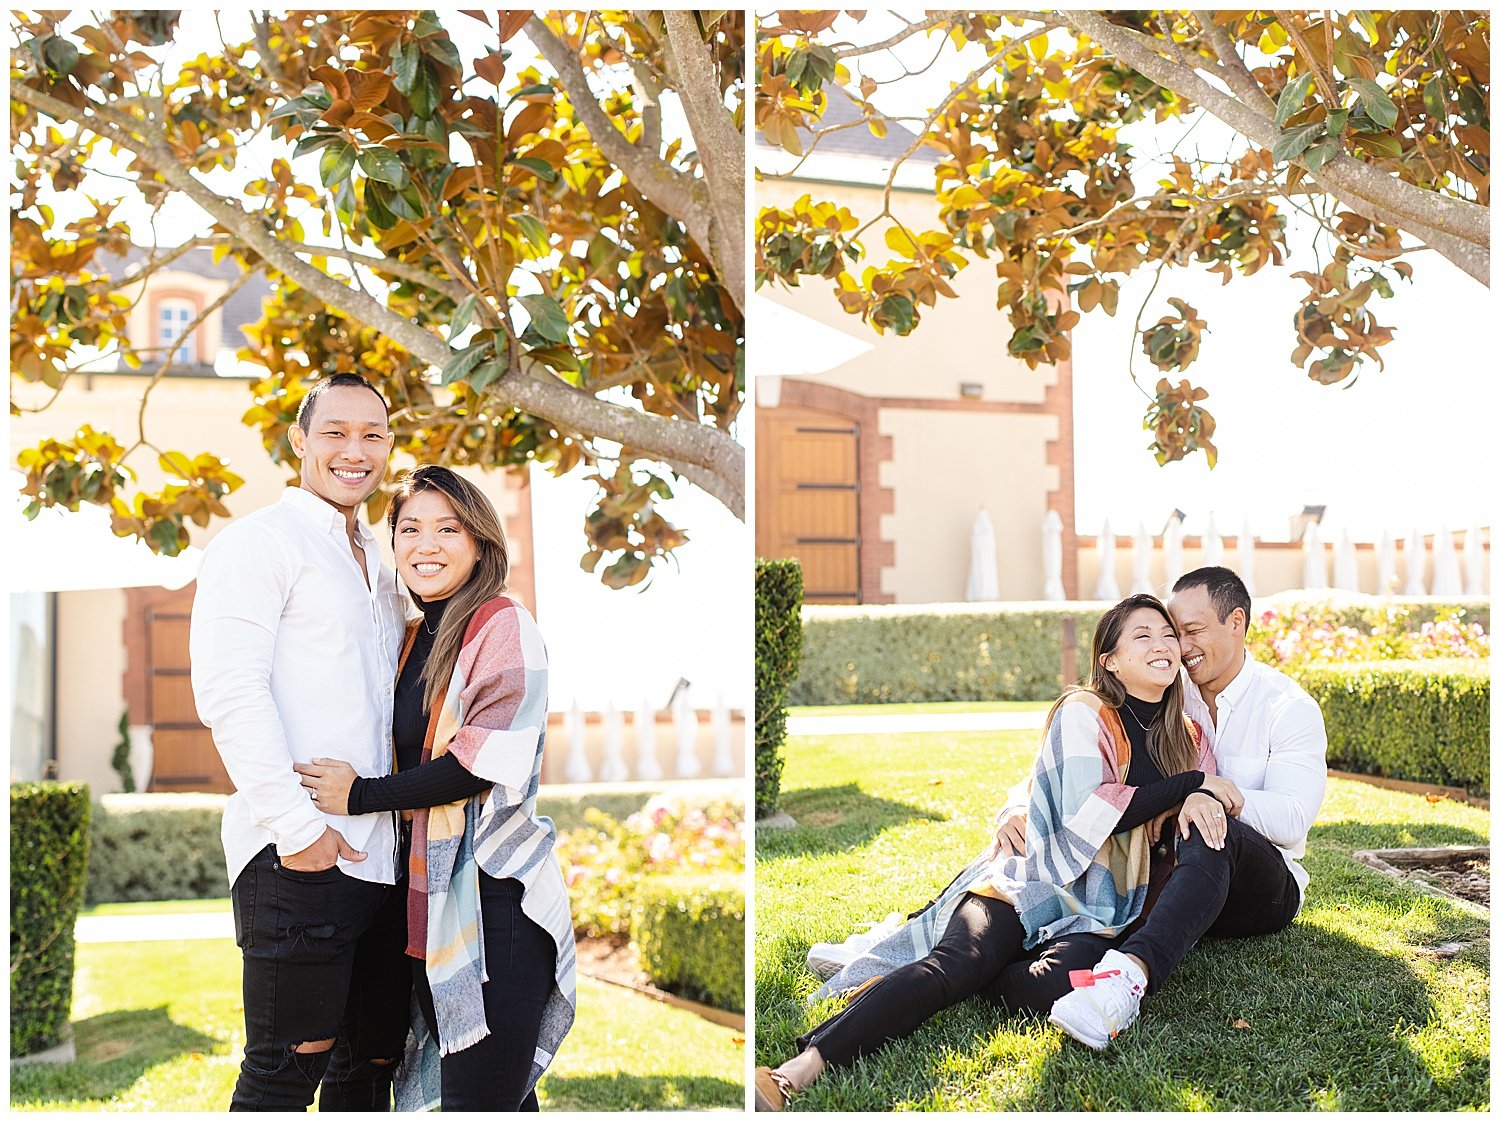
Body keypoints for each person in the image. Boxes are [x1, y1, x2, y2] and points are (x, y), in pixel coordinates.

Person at [754, 594, 1226, 1111]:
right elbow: (1091, 809)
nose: (1162, 645)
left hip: (1101, 909)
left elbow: (1202, 803)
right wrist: (1197, 782)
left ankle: (989, 969)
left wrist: (1200, 787)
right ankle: (795, 1073)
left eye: (1167, 635)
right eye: (1143, 635)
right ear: (1109, 659)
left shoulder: (1189, 735)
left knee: (1042, 994)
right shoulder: (1083, 710)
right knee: (955, 966)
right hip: (1031, 881)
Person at [295, 465, 577, 1111]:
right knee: (494, 1099)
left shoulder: (501, 624)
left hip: (495, 900)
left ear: (479, 541)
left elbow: (480, 762)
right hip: (432, 900)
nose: (426, 544)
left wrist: (358, 795)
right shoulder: (416, 635)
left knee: (478, 1101)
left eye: (447, 528)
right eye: (410, 528)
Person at [190, 372, 411, 1110]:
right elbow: (230, 691)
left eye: (373, 434)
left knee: (370, 1066)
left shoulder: (383, 563)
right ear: (299, 442)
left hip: (383, 862)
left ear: (388, 445)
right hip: (300, 858)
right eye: (336, 433)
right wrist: (296, 831)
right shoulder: (258, 543)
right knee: (286, 1069)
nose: (356, 450)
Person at [1046, 566, 1327, 1048]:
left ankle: (1126, 979)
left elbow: (1292, 817)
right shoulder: (1169, 691)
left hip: (1260, 888)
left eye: (1192, 631)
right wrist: (1013, 806)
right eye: (1178, 634)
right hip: (1169, 879)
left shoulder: (1288, 706)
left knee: (1207, 824)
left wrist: (1207, 796)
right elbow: (1088, 760)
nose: (1181, 646)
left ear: (1236, 622)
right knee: (1048, 968)